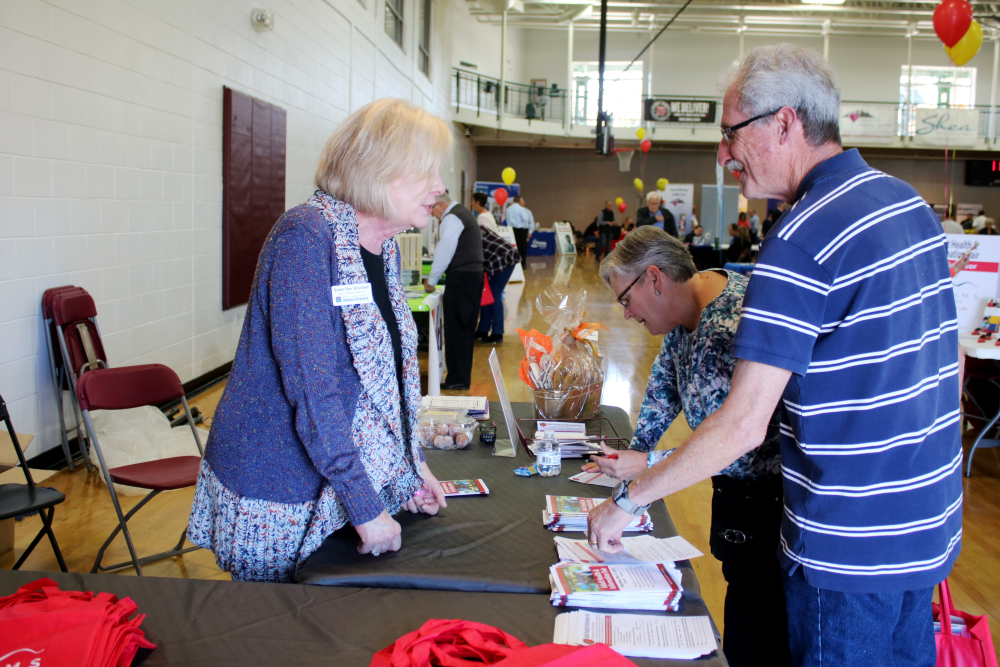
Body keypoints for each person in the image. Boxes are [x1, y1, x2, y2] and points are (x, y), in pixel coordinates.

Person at [587, 43, 961, 667]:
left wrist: (629, 500)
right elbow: (946, 372)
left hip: (847, 552)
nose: (723, 153)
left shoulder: (800, 236)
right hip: (926, 530)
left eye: (730, 132)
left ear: (784, 123)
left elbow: (742, 424)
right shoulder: (908, 205)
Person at [187, 99, 450, 583]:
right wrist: (365, 506)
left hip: (335, 482)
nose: (439, 186)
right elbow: (315, 394)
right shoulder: (306, 236)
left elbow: (385, 380)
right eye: (425, 171)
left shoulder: (382, 247)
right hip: (282, 485)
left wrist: (408, 470)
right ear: (375, 169)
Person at [587, 226, 789, 667]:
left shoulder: (728, 327)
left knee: (755, 640)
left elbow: (736, 445)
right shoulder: (691, 305)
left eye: (625, 300)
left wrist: (642, 477)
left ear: (655, 279)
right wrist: (635, 453)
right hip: (744, 506)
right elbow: (664, 388)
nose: (626, 315)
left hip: (769, 508)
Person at [424, 194, 484, 390]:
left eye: (432, 210)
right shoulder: (464, 214)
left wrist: (431, 280)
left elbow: (445, 250)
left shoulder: (452, 217)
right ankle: (460, 377)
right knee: (464, 329)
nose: (432, 215)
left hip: (461, 279)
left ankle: (457, 378)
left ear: (440, 204)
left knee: (456, 329)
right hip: (473, 276)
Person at [476, 225, 521, 344]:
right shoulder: (473, 228)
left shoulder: (473, 231)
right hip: (496, 261)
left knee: (494, 295)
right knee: (487, 296)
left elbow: (475, 253)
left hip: (503, 259)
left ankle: (497, 333)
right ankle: (482, 330)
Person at [505, 196, 534, 267]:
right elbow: (525, 219)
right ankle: (522, 264)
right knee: (522, 248)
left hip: (511, 230)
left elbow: (507, 219)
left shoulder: (508, 209)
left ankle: (513, 263)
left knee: (513, 247)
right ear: (520, 201)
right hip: (522, 230)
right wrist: (528, 230)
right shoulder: (522, 209)